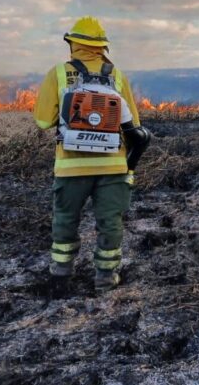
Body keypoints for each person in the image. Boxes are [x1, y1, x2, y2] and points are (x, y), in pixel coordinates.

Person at [33, 16, 150, 291]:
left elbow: (42, 121)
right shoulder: (117, 76)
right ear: (102, 47)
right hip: (112, 167)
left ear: (72, 43)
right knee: (110, 223)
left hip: (71, 168)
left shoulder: (59, 73)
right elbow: (133, 123)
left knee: (65, 221)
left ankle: (60, 276)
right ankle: (106, 279)